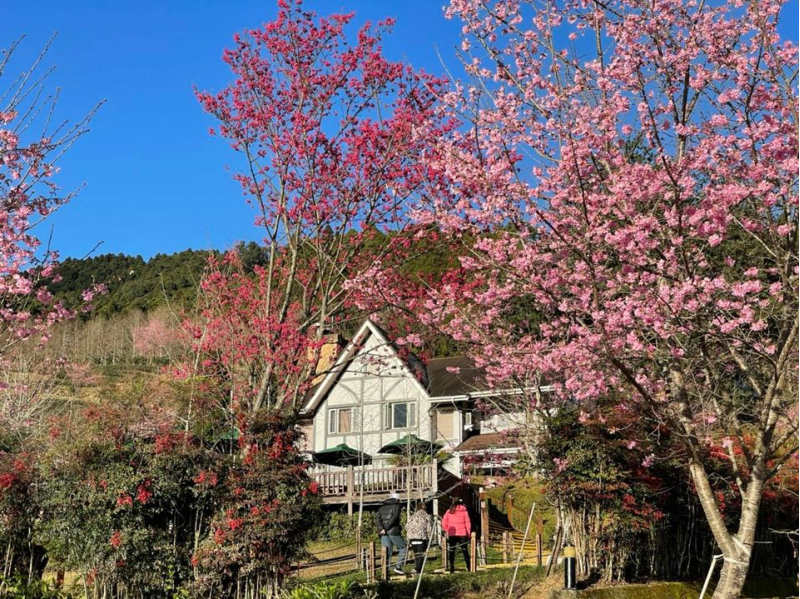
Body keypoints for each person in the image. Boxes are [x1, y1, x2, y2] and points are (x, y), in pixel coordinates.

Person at [375, 491, 407, 575]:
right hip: (393, 531)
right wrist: (387, 528)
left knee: (386, 552)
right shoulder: (397, 506)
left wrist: (382, 528)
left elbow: (377, 519)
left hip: (383, 533)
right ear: (397, 499)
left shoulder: (381, 508)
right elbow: (394, 518)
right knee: (403, 548)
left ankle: (385, 571)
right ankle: (398, 567)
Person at [441, 497, 471, 573]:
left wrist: (448, 529)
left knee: (452, 551)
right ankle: (469, 567)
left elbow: (444, 522)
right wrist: (468, 533)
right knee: (465, 550)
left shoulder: (449, 511)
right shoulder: (464, 511)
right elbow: (468, 523)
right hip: (462, 533)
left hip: (452, 533)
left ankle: (452, 568)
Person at [406, 501, 432, 575]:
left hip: (412, 537)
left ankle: (417, 569)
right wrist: (430, 538)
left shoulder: (413, 516)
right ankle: (417, 568)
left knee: (416, 554)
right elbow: (429, 528)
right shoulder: (426, 516)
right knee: (421, 554)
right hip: (421, 537)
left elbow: (407, 526)